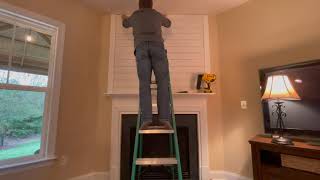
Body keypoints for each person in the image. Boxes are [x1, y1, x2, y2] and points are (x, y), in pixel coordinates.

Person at [122, 0, 172, 129]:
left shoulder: (135, 15)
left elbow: (125, 24)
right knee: (163, 83)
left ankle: (146, 120)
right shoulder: (156, 14)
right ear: (151, 5)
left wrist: (124, 17)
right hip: (158, 48)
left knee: (144, 84)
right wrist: (165, 18)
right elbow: (168, 24)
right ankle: (165, 119)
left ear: (140, 5)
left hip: (141, 48)